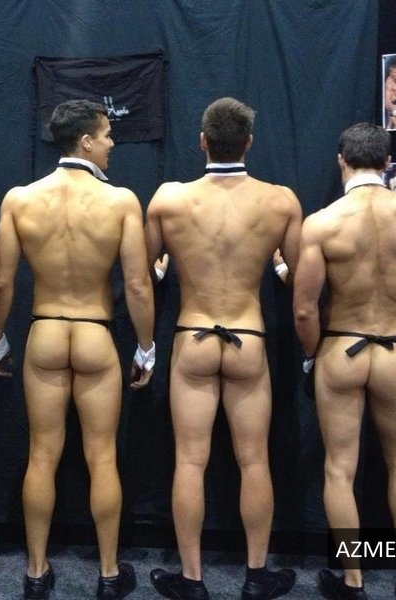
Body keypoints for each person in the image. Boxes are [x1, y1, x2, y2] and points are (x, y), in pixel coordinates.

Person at [0, 99, 154, 600]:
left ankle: (36, 573)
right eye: (106, 135)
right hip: (95, 333)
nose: (111, 143)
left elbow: (2, 281)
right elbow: (138, 284)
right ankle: (108, 574)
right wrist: (146, 347)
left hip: (45, 333)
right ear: (85, 141)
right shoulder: (121, 201)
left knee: (42, 455)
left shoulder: (20, 199)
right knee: (102, 457)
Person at [144, 97, 302, 600]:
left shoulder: (168, 199)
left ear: (203, 141)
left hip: (192, 336)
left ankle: (192, 579)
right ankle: (256, 576)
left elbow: (143, 275)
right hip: (247, 339)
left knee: (190, 462)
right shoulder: (280, 201)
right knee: (254, 461)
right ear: (248, 142)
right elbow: (300, 280)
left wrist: (162, 270)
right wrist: (279, 267)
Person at [293, 123, 396, 599]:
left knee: (340, 469)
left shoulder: (323, 222)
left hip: (341, 348)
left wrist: (311, 357)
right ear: (388, 163)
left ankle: (353, 580)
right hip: (394, 351)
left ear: (341, 161)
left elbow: (304, 309)